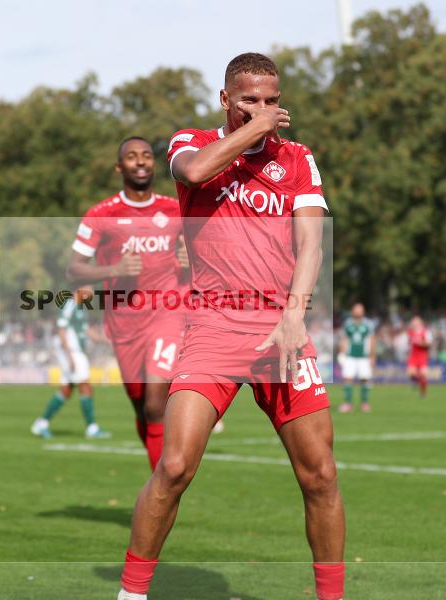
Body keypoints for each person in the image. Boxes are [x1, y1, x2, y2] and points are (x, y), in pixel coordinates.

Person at [117, 53, 344, 600]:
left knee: (320, 476)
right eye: (249, 101)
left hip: (281, 330)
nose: (264, 110)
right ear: (225, 100)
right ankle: (130, 595)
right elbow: (193, 173)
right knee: (173, 467)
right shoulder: (189, 142)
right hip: (213, 327)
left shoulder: (298, 159)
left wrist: (295, 314)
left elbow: (311, 242)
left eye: (272, 100)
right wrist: (255, 131)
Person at [67, 136, 189, 471]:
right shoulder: (101, 214)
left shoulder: (176, 209)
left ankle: (163, 493)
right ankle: (159, 482)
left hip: (168, 312)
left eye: (147, 156)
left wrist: (190, 257)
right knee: (140, 404)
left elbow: (211, 250)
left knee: (155, 404)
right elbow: (74, 269)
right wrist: (114, 270)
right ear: (119, 167)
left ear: (154, 164)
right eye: (132, 157)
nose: (140, 161)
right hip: (123, 323)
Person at [32, 287, 110, 439]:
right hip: (71, 351)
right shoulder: (70, 304)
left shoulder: (81, 307)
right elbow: (61, 329)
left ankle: (41, 424)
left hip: (75, 351)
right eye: (89, 288)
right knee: (85, 385)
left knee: (66, 390)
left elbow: (87, 331)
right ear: (80, 289)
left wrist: (107, 341)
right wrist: (69, 356)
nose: (92, 293)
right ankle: (92, 428)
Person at [339, 303, 375, 413]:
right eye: (356, 310)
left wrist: (372, 356)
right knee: (348, 378)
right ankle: (347, 403)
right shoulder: (348, 323)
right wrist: (341, 353)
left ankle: (364, 403)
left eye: (360, 310)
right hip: (350, 356)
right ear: (352, 311)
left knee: (364, 379)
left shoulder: (368, 324)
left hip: (364, 357)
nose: (358, 312)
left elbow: (372, 340)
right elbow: (344, 339)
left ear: (363, 311)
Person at [407, 316, 431, 397]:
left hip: (422, 356)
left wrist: (421, 343)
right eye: (413, 322)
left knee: (423, 375)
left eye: (415, 322)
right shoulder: (410, 332)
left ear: (420, 323)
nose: (413, 324)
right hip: (413, 355)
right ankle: (419, 382)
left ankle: (423, 393)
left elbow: (429, 343)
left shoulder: (425, 331)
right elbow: (409, 343)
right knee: (411, 374)